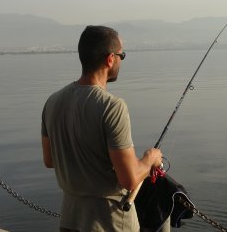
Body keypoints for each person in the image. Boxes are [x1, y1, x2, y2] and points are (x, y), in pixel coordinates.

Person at [41, 25, 163, 232]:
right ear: (110, 59)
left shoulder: (52, 102)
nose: (121, 61)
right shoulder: (112, 106)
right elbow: (130, 179)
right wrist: (150, 159)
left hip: (70, 220)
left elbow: (50, 160)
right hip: (110, 223)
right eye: (121, 55)